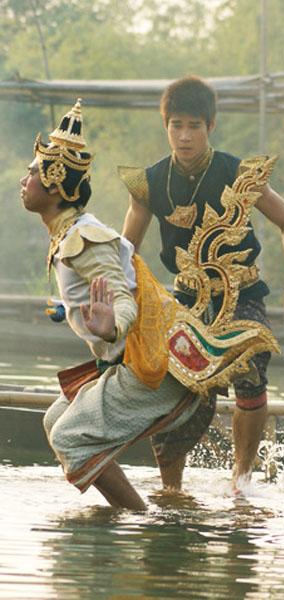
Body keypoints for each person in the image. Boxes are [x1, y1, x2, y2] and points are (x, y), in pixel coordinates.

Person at [119, 76, 284, 491]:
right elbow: (125, 250)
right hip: (185, 299)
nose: (184, 136)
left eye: (194, 126)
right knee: (172, 385)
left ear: (211, 126)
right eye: (176, 125)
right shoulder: (150, 183)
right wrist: (115, 297)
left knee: (249, 369)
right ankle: (171, 489)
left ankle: (241, 481)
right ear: (165, 126)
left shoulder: (237, 172)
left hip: (242, 293)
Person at [25, 100, 201, 510]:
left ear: (55, 183)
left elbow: (123, 302)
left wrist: (111, 326)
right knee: (55, 422)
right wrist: (70, 310)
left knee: (71, 436)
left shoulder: (84, 239)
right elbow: (106, 288)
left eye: (32, 172)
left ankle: (138, 519)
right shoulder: (71, 233)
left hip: (154, 366)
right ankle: (124, 513)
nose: (24, 180)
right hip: (130, 360)